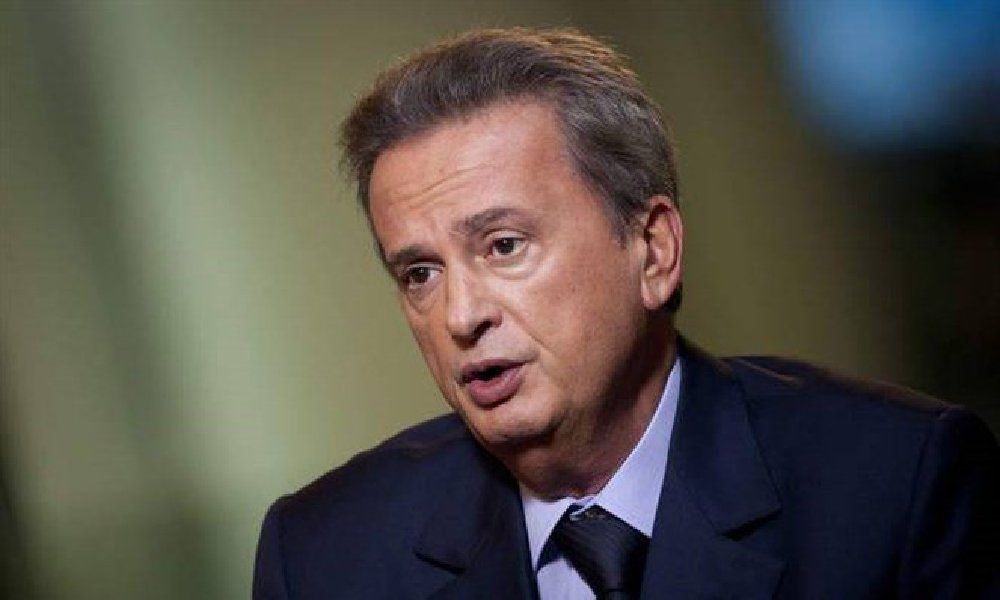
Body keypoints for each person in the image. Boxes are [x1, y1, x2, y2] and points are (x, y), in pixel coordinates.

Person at [252, 28, 998, 599]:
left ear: (654, 250)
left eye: (504, 246)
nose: (461, 315)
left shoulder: (894, 483)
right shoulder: (324, 556)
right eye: (420, 273)